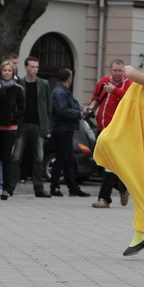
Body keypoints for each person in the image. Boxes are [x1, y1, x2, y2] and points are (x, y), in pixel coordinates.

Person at [94, 46, 144, 257]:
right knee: (106, 141)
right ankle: (122, 182)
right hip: (135, 134)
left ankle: (140, 235)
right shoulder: (140, 80)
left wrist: (127, 70)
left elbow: (129, 73)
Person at [85, 59, 132, 208]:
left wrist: (115, 91)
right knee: (98, 162)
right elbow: (97, 98)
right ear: (110, 70)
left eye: (120, 71)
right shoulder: (103, 81)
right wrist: (90, 108)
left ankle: (104, 199)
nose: (118, 73)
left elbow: (131, 101)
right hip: (102, 128)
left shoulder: (129, 84)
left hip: (118, 131)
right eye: (115, 70)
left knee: (108, 165)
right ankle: (122, 186)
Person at [10, 56, 52, 198]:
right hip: (22, 123)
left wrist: (46, 121)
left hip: (38, 124)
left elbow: (48, 104)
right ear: (26, 67)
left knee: (39, 157)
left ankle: (38, 188)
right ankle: (9, 187)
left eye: (36, 67)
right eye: (32, 67)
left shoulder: (43, 83)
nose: (34, 70)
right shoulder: (19, 83)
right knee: (16, 156)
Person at [49, 68, 90, 198]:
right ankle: (54, 186)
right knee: (62, 158)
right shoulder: (60, 92)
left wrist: (81, 110)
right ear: (69, 79)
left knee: (68, 159)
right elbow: (62, 110)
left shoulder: (64, 92)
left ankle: (73, 187)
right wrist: (79, 113)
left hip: (65, 128)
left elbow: (73, 105)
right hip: (61, 129)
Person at [0, 60, 24, 200]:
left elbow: (22, 109)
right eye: (5, 70)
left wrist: (12, 116)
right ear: (0, 72)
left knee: (7, 158)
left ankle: (6, 188)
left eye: (9, 71)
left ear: (13, 73)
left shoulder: (17, 89)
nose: (7, 73)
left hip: (10, 127)